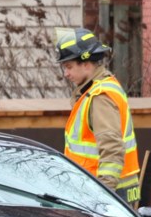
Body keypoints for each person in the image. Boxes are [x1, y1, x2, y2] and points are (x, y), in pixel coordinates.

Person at [55, 27, 141, 206]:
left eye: (69, 67)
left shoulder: (100, 96)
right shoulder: (96, 89)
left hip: (107, 194)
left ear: (86, 64)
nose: (66, 74)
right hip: (103, 190)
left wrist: (104, 196)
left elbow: (112, 149)